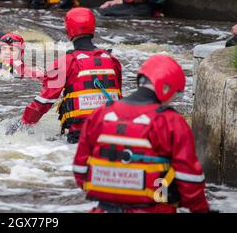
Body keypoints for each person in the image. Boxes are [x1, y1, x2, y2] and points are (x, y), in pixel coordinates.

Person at [73, 54, 210, 213]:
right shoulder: (171, 122)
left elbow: (80, 171)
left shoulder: (99, 115)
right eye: (175, 94)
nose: (172, 99)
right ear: (165, 88)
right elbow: (190, 179)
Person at [6, 8, 122, 143]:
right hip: (113, 131)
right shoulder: (112, 60)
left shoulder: (66, 61)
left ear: (68, 31)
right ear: (93, 29)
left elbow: (44, 101)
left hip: (81, 134)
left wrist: (23, 123)